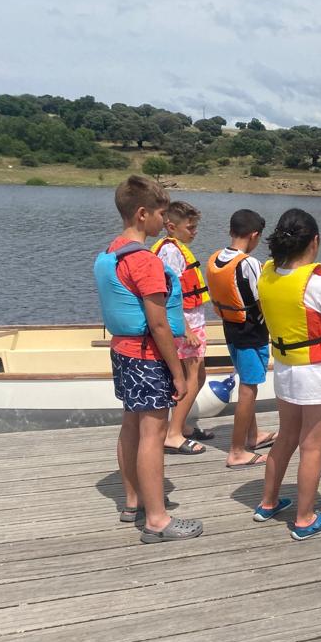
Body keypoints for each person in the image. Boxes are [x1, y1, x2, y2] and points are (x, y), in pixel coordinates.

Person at [93, 175, 203, 543]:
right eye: (160, 213)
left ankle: (132, 501)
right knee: (153, 434)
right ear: (142, 214)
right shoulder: (145, 261)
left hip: (123, 353)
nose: (163, 220)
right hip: (146, 357)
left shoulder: (112, 251)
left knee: (131, 425)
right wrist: (178, 374)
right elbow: (158, 324)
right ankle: (157, 519)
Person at [252, 208, 321, 540]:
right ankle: (305, 518)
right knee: (312, 447)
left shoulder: (266, 275)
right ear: (315, 241)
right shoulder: (320, 285)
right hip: (316, 373)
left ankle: (267, 502)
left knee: (286, 436)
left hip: (285, 369)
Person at [206, 209, 276, 468]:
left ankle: (252, 435)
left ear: (231, 230)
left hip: (231, 328)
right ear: (255, 235)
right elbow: (263, 298)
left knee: (247, 382)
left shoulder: (215, 258)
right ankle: (237, 451)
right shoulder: (249, 264)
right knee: (248, 388)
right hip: (251, 332)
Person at [150, 201, 211, 455]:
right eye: (190, 227)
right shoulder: (171, 252)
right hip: (185, 324)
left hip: (191, 321)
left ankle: (181, 424)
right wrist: (185, 328)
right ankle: (172, 434)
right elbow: (169, 293)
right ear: (171, 227)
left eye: (195, 227)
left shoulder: (175, 249)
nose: (194, 232)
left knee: (199, 375)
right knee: (192, 377)